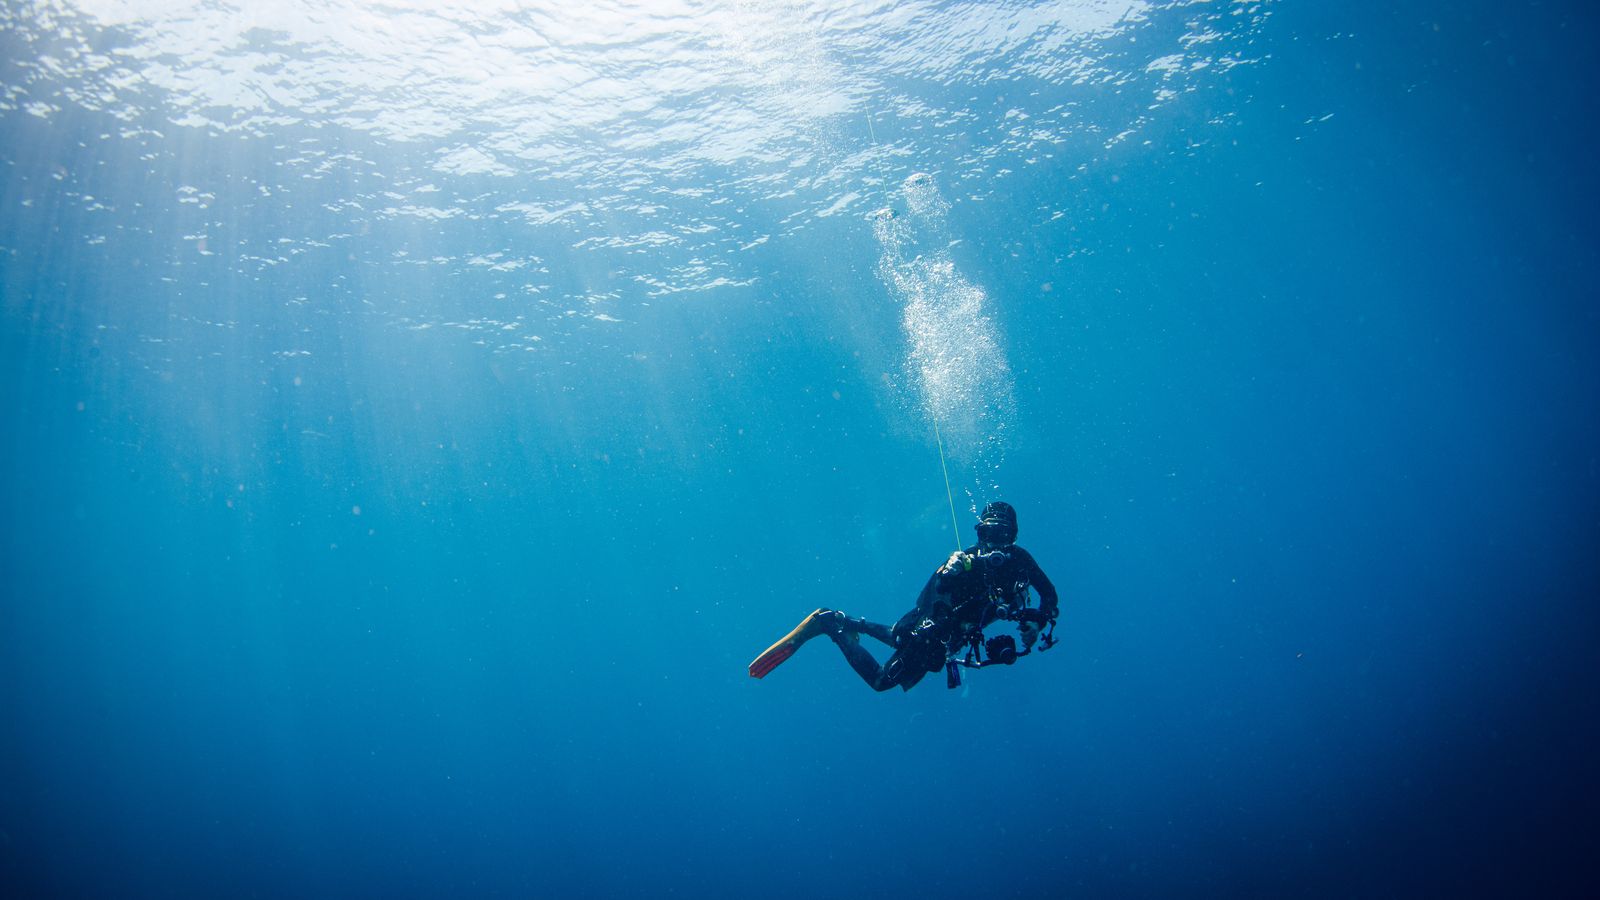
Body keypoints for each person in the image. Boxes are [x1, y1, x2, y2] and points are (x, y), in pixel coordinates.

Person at [748, 501, 1059, 691]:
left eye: (1001, 535)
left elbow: (1050, 598)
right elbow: (936, 590)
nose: (993, 543)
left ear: (1012, 535)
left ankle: (846, 621)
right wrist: (953, 572)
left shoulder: (1021, 561)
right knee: (883, 681)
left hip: (951, 636)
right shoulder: (967, 560)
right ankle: (830, 624)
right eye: (986, 534)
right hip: (933, 628)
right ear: (979, 533)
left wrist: (1036, 623)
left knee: (898, 639)